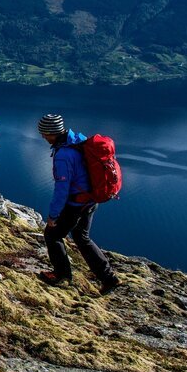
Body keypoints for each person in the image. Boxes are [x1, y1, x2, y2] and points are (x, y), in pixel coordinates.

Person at [37, 113, 120, 293]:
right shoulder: (77, 140)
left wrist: (53, 216)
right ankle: (109, 278)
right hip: (90, 200)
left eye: (44, 133)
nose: (43, 137)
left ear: (52, 132)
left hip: (76, 203)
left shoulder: (63, 155)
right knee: (82, 237)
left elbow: (62, 188)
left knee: (52, 235)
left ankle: (62, 275)